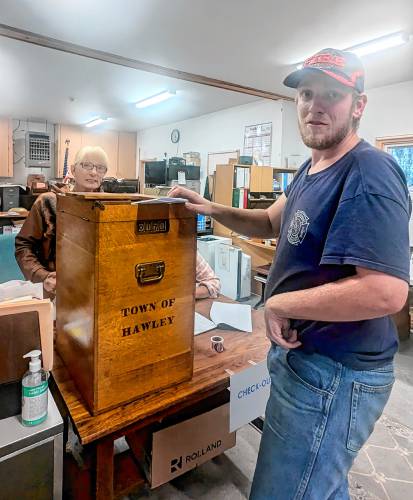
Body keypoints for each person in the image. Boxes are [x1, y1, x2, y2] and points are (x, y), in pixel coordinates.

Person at [169, 48, 410, 499]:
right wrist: (209, 208)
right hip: (305, 360)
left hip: (336, 372)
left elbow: (386, 292)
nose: (315, 105)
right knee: (316, 484)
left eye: (332, 95)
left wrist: (278, 303)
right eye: (305, 93)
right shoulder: (311, 167)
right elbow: (268, 222)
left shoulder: (370, 173)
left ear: (358, 105)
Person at [15, 146, 109, 298]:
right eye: (86, 165)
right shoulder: (48, 202)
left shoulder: (109, 208)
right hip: (56, 291)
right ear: (72, 169)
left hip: (95, 291)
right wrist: (43, 276)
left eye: (100, 168)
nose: (93, 172)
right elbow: (23, 246)